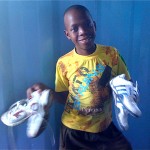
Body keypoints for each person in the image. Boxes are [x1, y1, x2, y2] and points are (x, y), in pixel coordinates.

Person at [27, 5, 133, 150]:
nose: (82, 31)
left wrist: (125, 91)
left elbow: (127, 84)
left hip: (105, 128)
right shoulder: (63, 63)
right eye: (75, 29)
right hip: (74, 131)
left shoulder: (112, 54)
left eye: (87, 25)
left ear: (94, 26)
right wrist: (48, 93)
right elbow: (66, 96)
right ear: (67, 34)